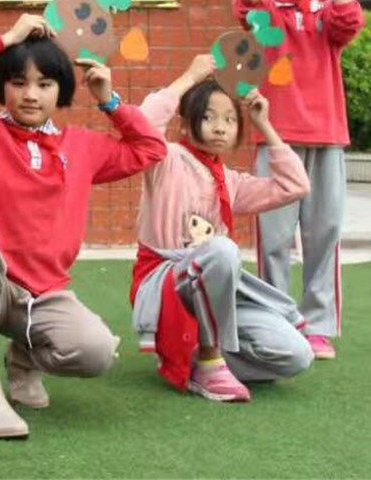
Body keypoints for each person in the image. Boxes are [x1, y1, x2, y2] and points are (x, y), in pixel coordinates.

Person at [0, 14, 166, 440]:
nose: (30, 94)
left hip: (41, 296)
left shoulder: (83, 147)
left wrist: (110, 101)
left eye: (44, 84)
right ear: (2, 86)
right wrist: (5, 38)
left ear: (62, 89)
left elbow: (149, 149)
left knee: (95, 352)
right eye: (18, 82)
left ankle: (24, 359)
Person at [131, 55, 314, 402]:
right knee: (221, 249)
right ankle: (210, 360)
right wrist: (188, 77)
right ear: (185, 124)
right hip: (168, 282)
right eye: (208, 117)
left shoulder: (232, 183)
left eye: (230, 119)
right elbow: (142, 123)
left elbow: (295, 186)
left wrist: (264, 125)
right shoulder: (165, 159)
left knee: (296, 355)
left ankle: (190, 358)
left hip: (217, 293)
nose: (220, 127)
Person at [237, 0, 363, 360]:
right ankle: (276, 321)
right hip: (276, 141)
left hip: (327, 137)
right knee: (273, 238)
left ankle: (318, 326)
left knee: (323, 232)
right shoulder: (269, 15)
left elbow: (351, 19)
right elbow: (245, 3)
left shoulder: (329, 15)